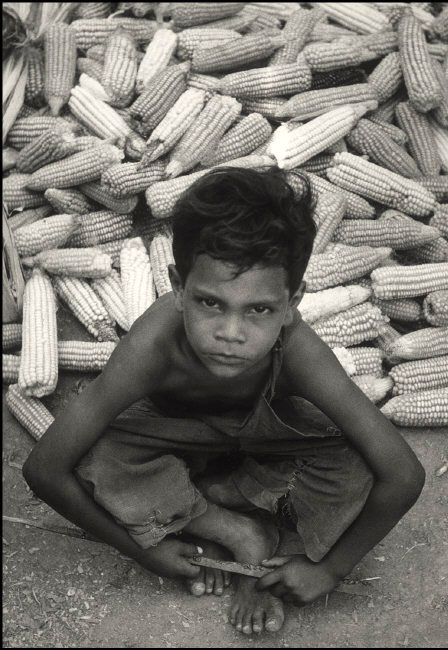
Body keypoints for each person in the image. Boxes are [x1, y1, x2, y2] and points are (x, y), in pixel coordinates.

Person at [23, 167, 425, 636]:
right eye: (210, 303)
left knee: (357, 464)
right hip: (170, 435)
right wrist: (140, 551)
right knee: (97, 460)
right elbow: (44, 468)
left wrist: (332, 570)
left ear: (293, 301)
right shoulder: (152, 350)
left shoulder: (296, 350)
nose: (231, 334)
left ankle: (219, 497)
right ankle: (237, 529)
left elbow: (403, 473)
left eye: (259, 310)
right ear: (178, 287)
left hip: (266, 438)